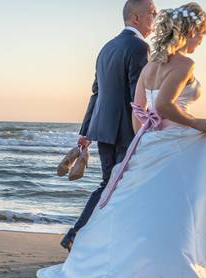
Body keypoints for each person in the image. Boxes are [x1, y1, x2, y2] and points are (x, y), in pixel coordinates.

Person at [38, 3, 206, 278]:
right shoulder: (166, 58)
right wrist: (196, 123)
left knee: (125, 194)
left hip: (125, 132)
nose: (201, 41)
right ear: (188, 31)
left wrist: (111, 134)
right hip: (154, 134)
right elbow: (162, 105)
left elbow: (125, 104)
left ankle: (89, 242)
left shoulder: (119, 53)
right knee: (167, 197)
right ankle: (182, 254)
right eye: (200, 35)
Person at [60, 0, 158, 252]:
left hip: (103, 128)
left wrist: (86, 131)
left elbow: (96, 93)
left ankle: (83, 237)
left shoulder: (106, 48)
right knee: (123, 186)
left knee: (109, 185)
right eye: (152, 13)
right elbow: (137, 98)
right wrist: (147, 130)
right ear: (135, 18)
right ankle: (81, 235)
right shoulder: (139, 47)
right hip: (126, 130)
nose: (155, 18)